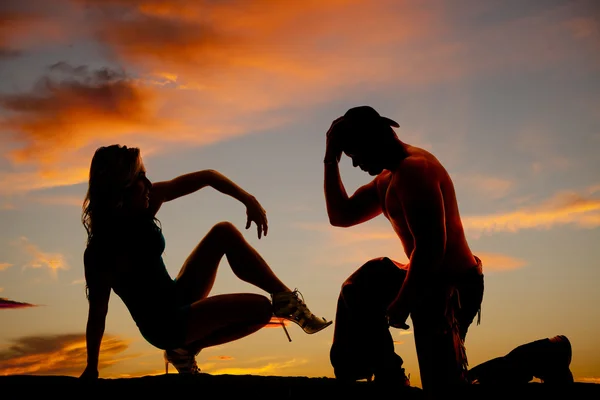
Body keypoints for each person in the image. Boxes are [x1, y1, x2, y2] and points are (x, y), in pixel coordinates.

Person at [79, 144, 332, 379]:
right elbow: (97, 313)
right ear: (119, 190)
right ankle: (184, 348)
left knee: (223, 232)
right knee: (262, 310)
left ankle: (287, 298)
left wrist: (248, 199)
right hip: (165, 326)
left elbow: (207, 177)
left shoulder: (145, 204)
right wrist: (92, 368)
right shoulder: (101, 252)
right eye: (139, 179)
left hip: (176, 294)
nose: (148, 183)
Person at [323, 106, 484, 394]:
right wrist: (329, 160)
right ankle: (388, 375)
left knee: (446, 388)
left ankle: (544, 353)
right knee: (363, 284)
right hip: (425, 276)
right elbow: (341, 215)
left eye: (356, 155)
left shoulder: (415, 169)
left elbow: (433, 248)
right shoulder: (386, 179)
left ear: (376, 139)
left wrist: (401, 304)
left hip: (454, 285)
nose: (356, 164)